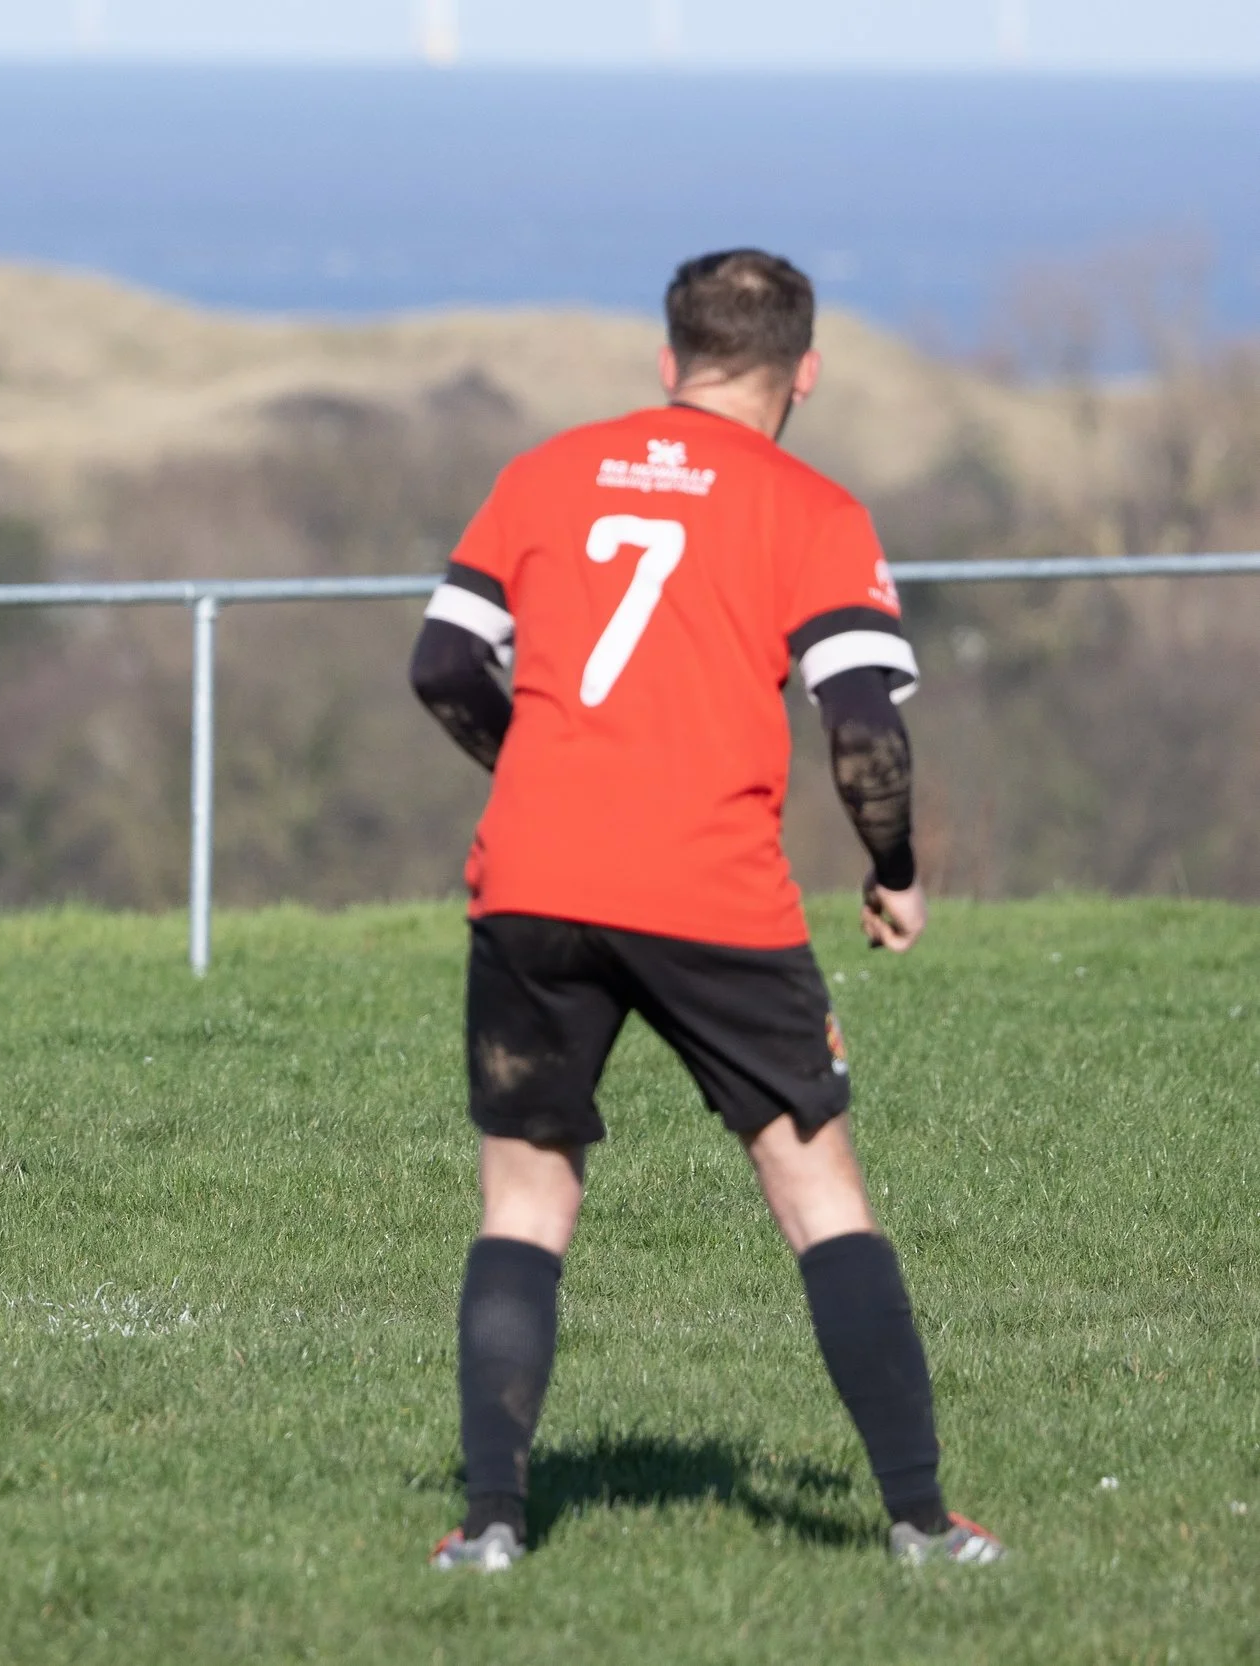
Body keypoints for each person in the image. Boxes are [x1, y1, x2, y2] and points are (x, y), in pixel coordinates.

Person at [406, 249, 1003, 1569]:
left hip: (534, 882)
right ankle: (918, 1522)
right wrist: (894, 868)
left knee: (524, 1199)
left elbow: (445, 663)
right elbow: (862, 733)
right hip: (710, 891)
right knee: (817, 1191)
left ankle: (492, 1529)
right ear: (805, 373)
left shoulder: (545, 473)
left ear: (669, 362)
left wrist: (546, 777)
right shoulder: (812, 506)